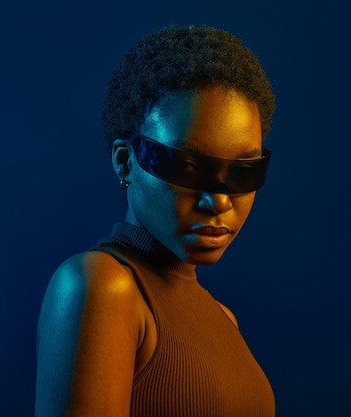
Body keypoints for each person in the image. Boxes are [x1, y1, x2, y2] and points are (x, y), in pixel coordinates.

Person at [35, 25, 276, 417]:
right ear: (125, 160)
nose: (216, 201)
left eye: (242, 172)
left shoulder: (223, 318)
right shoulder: (102, 285)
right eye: (187, 166)